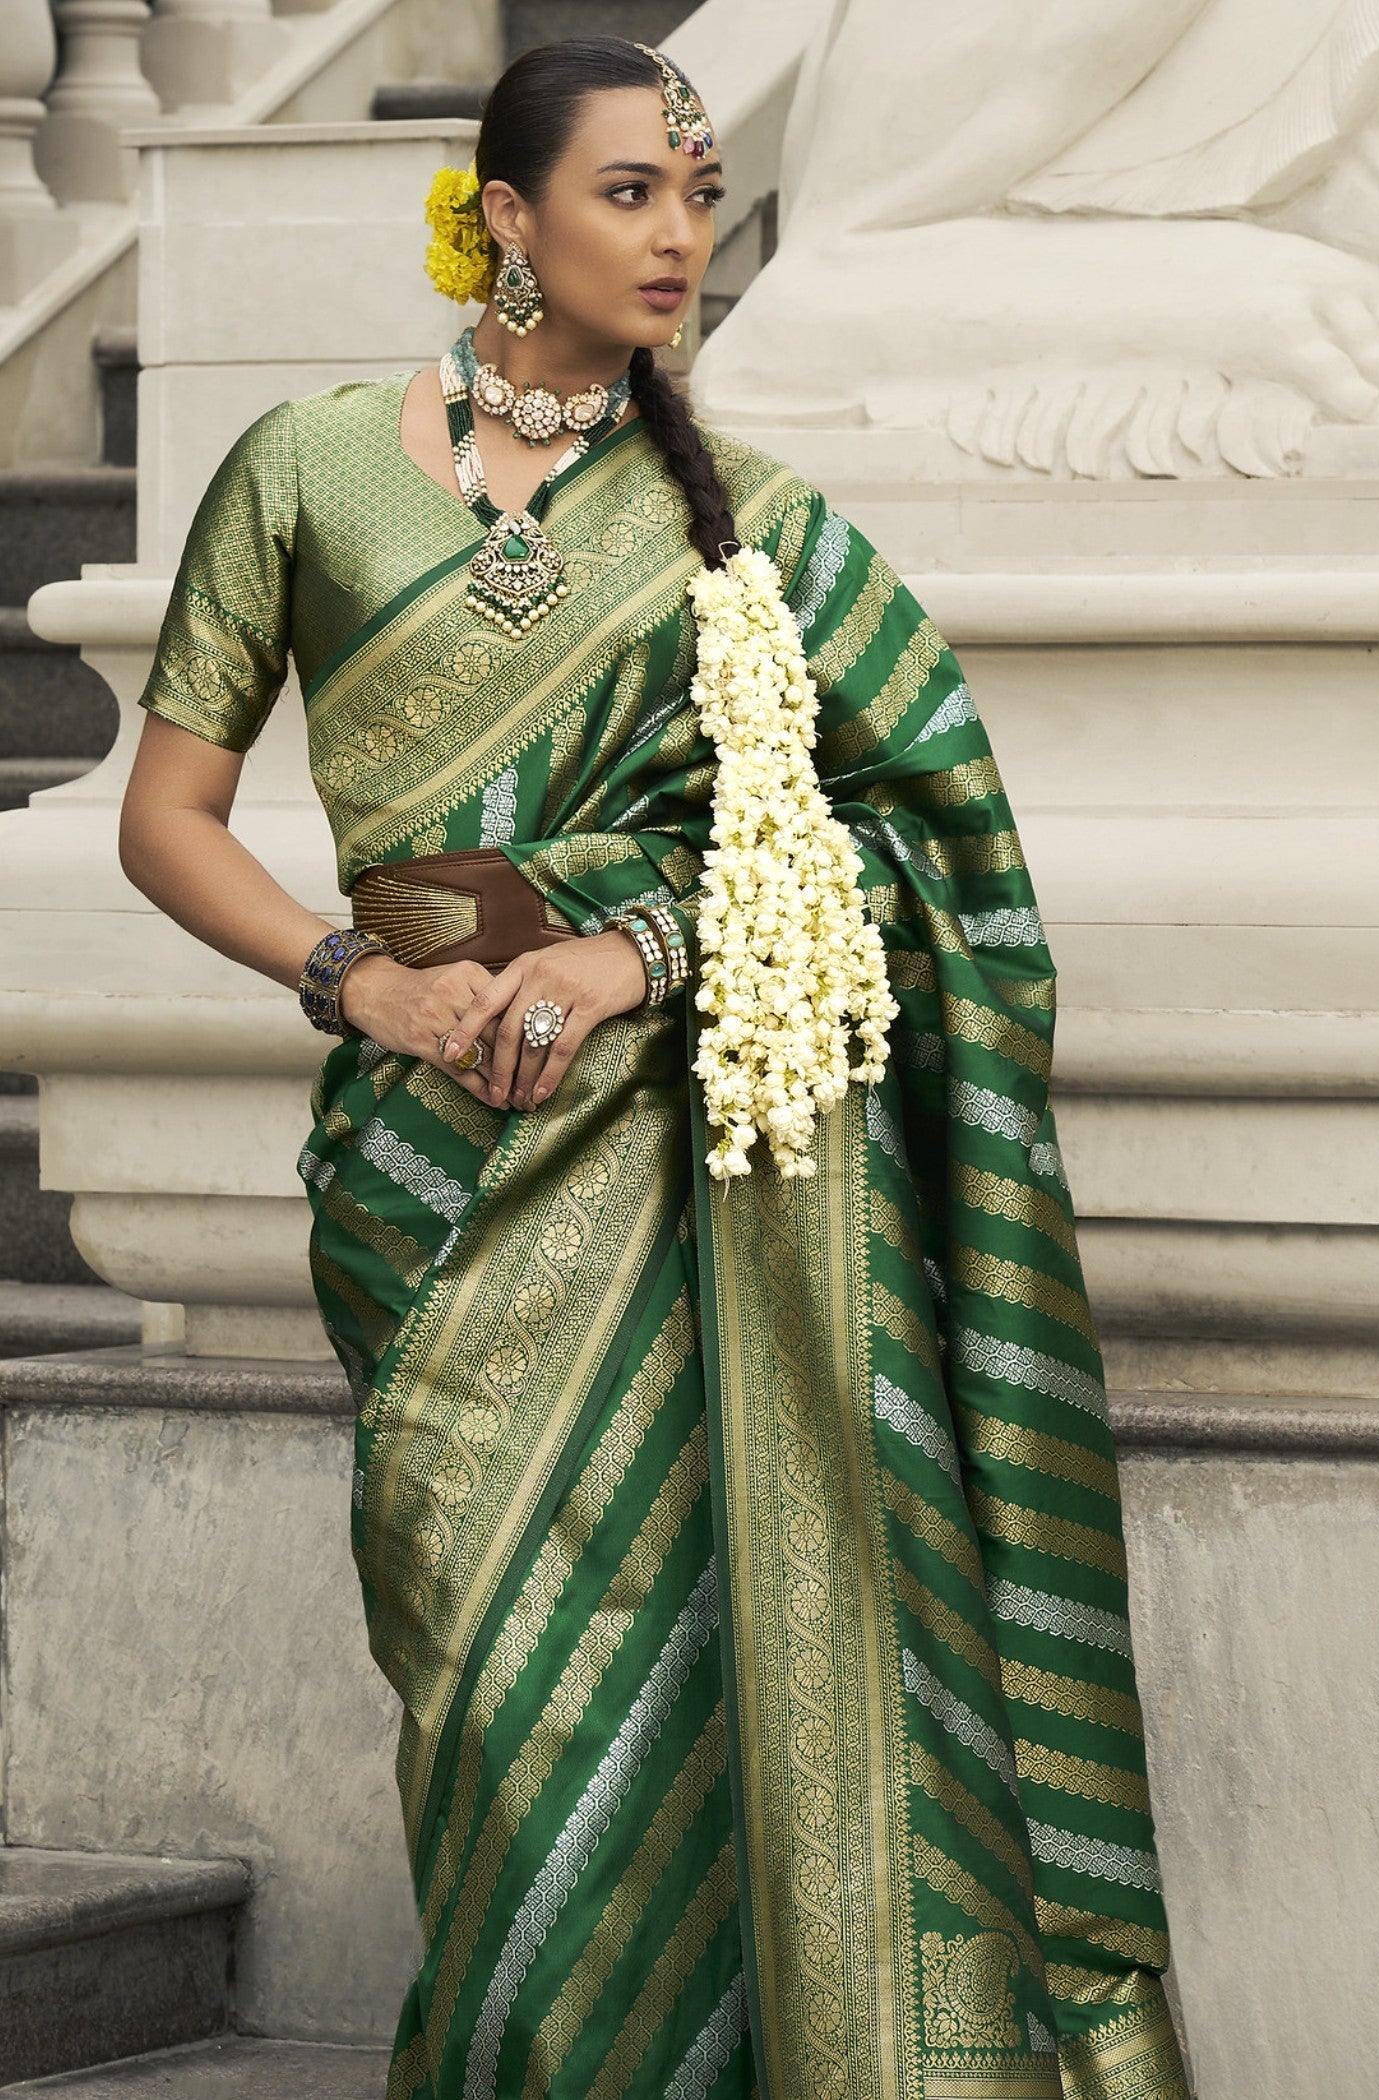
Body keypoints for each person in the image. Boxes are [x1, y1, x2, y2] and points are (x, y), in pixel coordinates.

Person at [117, 35, 1193, 2100]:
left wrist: (644, 948)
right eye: (631, 192)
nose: (682, 232)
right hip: (437, 1188)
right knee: (507, 1719)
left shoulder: (754, 529)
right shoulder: (313, 469)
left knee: (742, 1694)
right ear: (501, 217)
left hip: (700, 1174)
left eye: (698, 193)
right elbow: (165, 819)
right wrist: (358, 977)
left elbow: (925, 839)